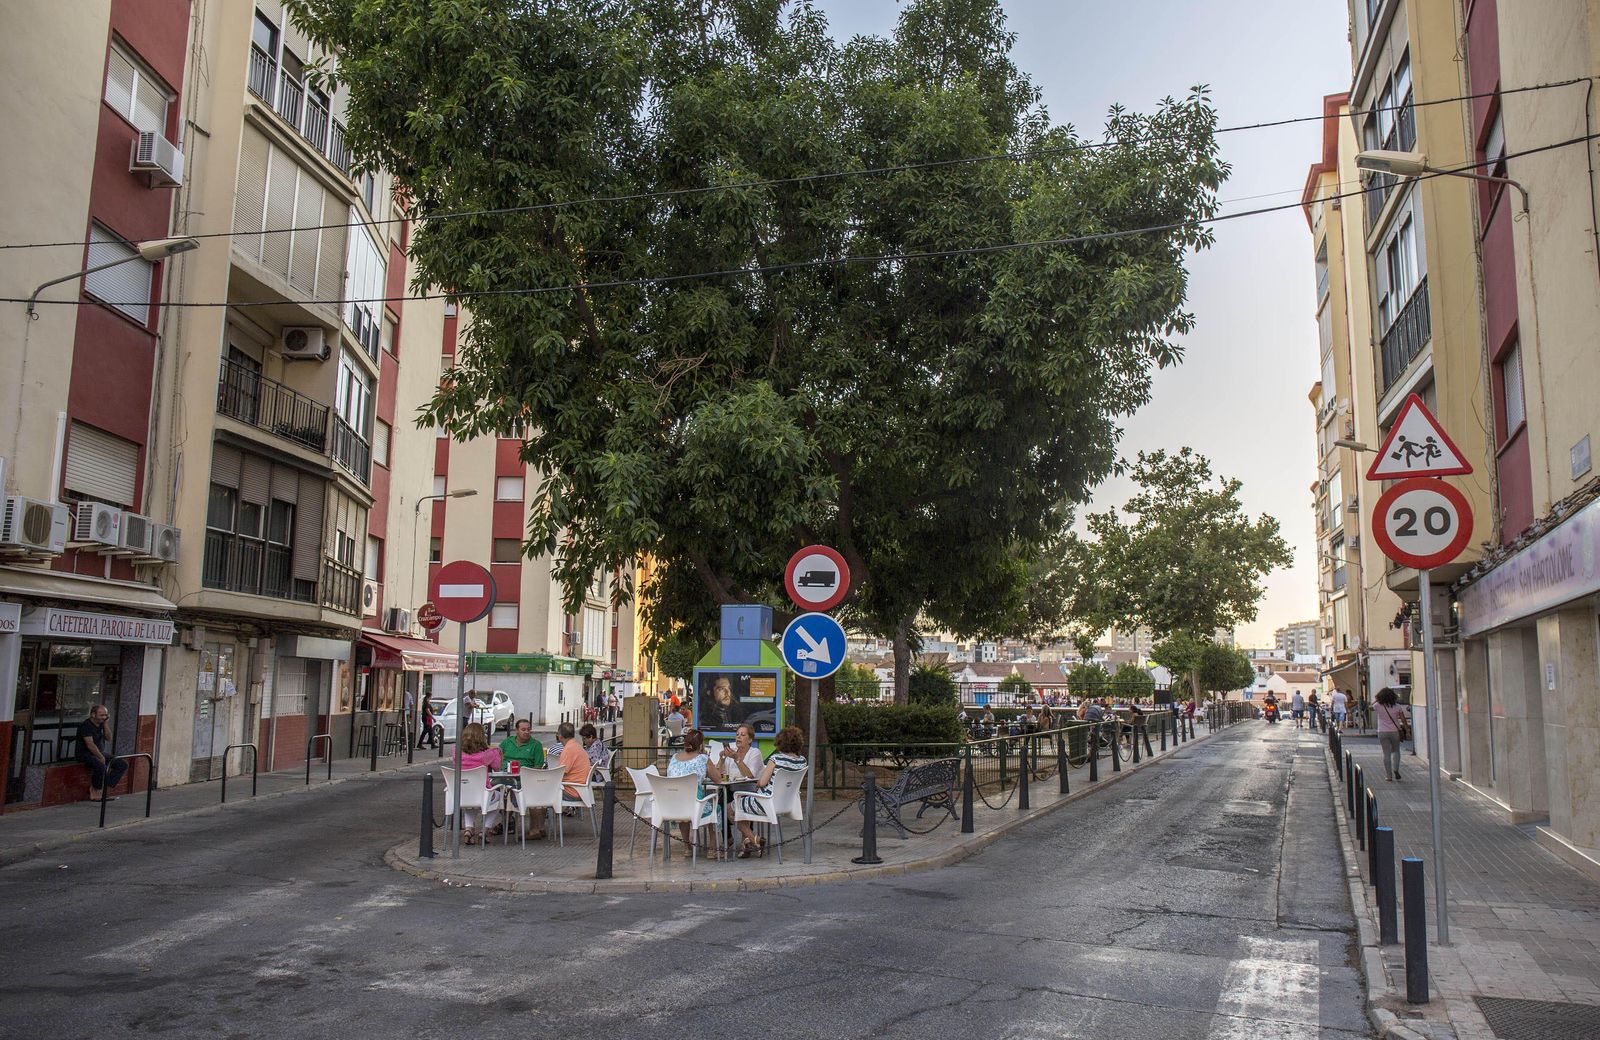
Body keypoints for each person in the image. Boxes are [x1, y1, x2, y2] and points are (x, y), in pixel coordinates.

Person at [734, 725, 806, 858]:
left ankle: (754, 840)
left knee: (730, 808)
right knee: (741, 805)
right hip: (788, 804)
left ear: (780, 742)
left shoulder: (776, 759)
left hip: (766, 803)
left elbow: (762, 782)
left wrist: (759, 783)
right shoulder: (802, 761)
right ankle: (749, 842)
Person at [666, 728, 724, 845]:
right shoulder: (703, 759)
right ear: (701, 745)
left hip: (672, 805)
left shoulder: (674, 757)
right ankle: (713, 848)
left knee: (684, 814)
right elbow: (718, 779)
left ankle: (687, 847)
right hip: (694, 806)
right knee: (715, 808)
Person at [456, 722, 503, 844]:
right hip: (482, 794)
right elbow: (497, 767)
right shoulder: (488, 754)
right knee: (499, 798)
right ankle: (484, 829)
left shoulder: (456, 752)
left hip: (460, 794)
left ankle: (469, 829)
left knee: (469, 802)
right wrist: (497, 753)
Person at [77, 704, 128, 800]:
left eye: (106, 715)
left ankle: (104, 786)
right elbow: (90, 744)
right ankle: (95, 791)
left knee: (122, 764)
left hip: (99, 752)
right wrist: (100, 757)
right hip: (85, 753)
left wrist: (105, 724)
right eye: (101, 715)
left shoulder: (102, 724)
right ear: (93, 715)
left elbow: (109, 738)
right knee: (101, 766)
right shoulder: (86, 725)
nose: (104, 717)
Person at [1375, 687, 1410, 781]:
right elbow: (1403, 719)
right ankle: (1395, 769)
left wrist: (1377, 699)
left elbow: (1370, 707)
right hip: (1395, 731)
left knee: (1386, 754)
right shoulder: (1397, 706)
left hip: (1382, 731)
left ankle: (1388, 776)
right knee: (1396, 751)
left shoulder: (1377, 705)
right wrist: (1407, 730)